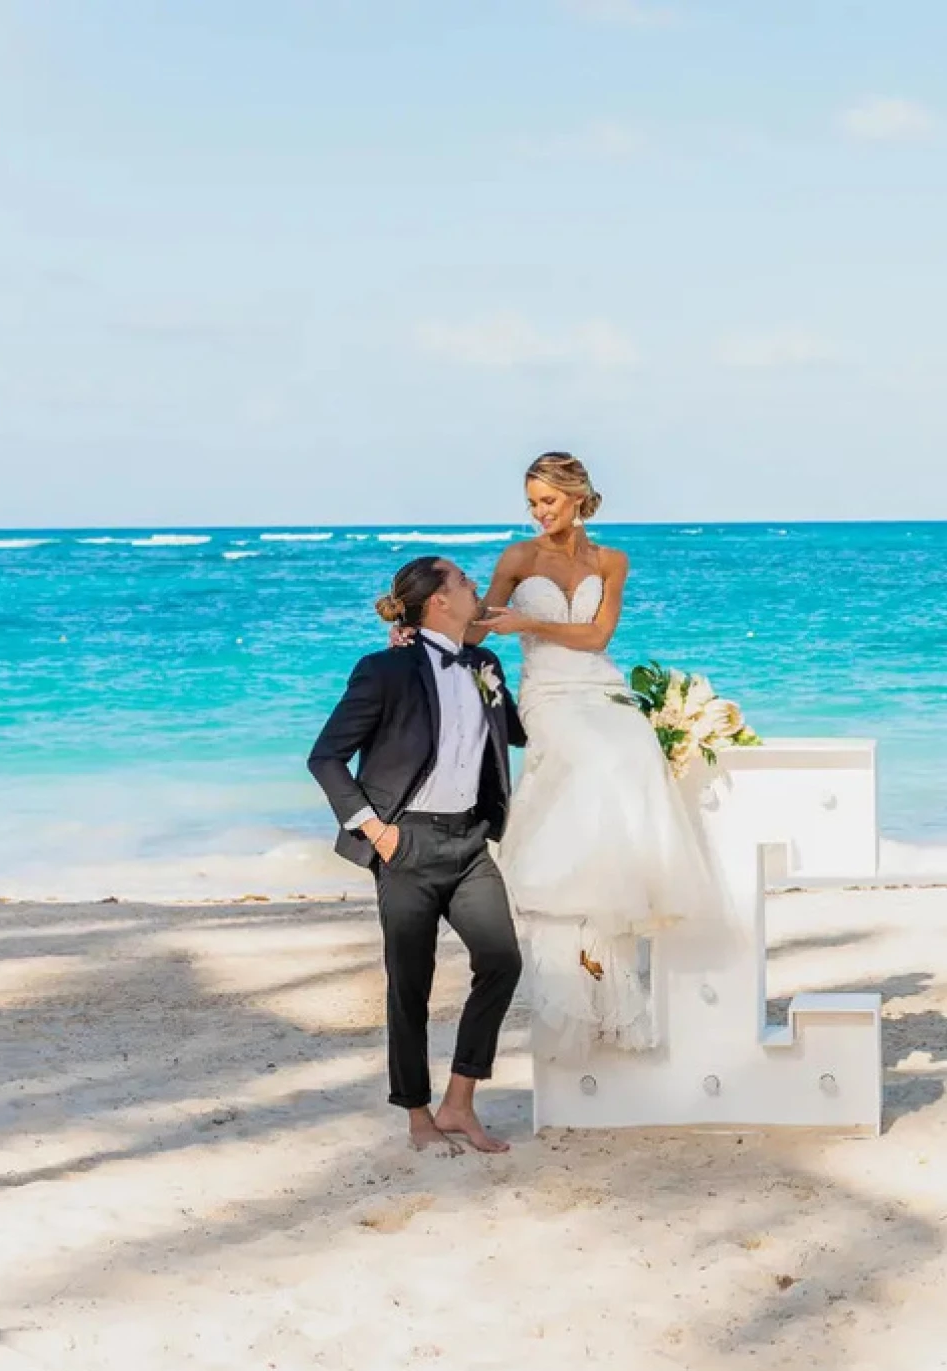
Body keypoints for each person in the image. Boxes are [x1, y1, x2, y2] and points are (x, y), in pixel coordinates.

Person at [469, 452, 726, 1060]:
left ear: (578, 495)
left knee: (631, 745)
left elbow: (598, 637)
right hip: (548, 692)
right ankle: (575, 897)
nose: (539, 513)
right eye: (532, 503)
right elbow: (479, 624)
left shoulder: (612, 561)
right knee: (591, 756)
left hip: (598, 683)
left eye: (549, 502)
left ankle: (615, 898)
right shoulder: (517, 559)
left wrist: (526, 620)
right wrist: (423, 627)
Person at [308, 557, 526, 1154]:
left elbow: (521, 731)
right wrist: (375, 832)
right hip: (404, 844)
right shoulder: (385, 670)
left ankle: (460, 1102)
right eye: (463, 581)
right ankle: (417, 1115)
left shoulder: (486, 664)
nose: (475, 586)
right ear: (437, 601)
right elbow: (325, 757)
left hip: (469, 843)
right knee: (411, 985)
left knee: (502, 960)